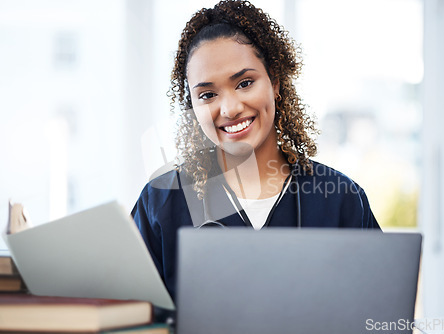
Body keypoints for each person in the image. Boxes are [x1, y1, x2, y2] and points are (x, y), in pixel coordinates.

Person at [132, 0, 380, 310]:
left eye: (245, 83)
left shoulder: (341, 199)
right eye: (208, 94)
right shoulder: (161, 204)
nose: (230, 108)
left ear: (275, 81)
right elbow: (130, 320)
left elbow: (378, 315)